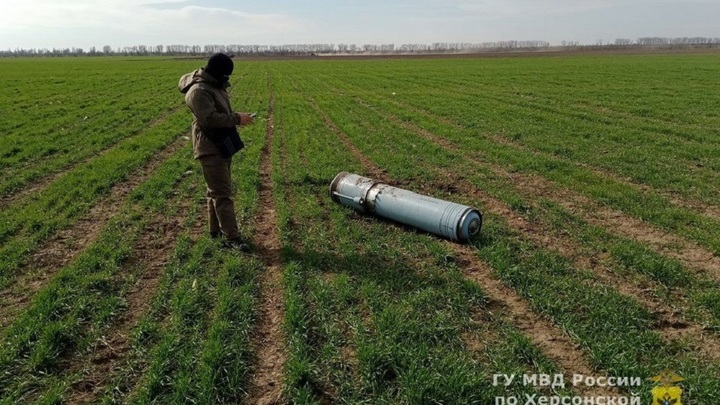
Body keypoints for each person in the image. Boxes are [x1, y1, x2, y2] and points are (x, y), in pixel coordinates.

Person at [178, 53, 254, 252]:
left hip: (219, 143)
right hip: (209, 147)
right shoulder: (198, 91)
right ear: (217, 72)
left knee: (216, 191)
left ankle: (215, 231)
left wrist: (235, 118)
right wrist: (236, 118)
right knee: (222, 194)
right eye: (226, 76)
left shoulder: (212, 85)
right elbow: (209, 119)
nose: (227, 81)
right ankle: (232, 238)